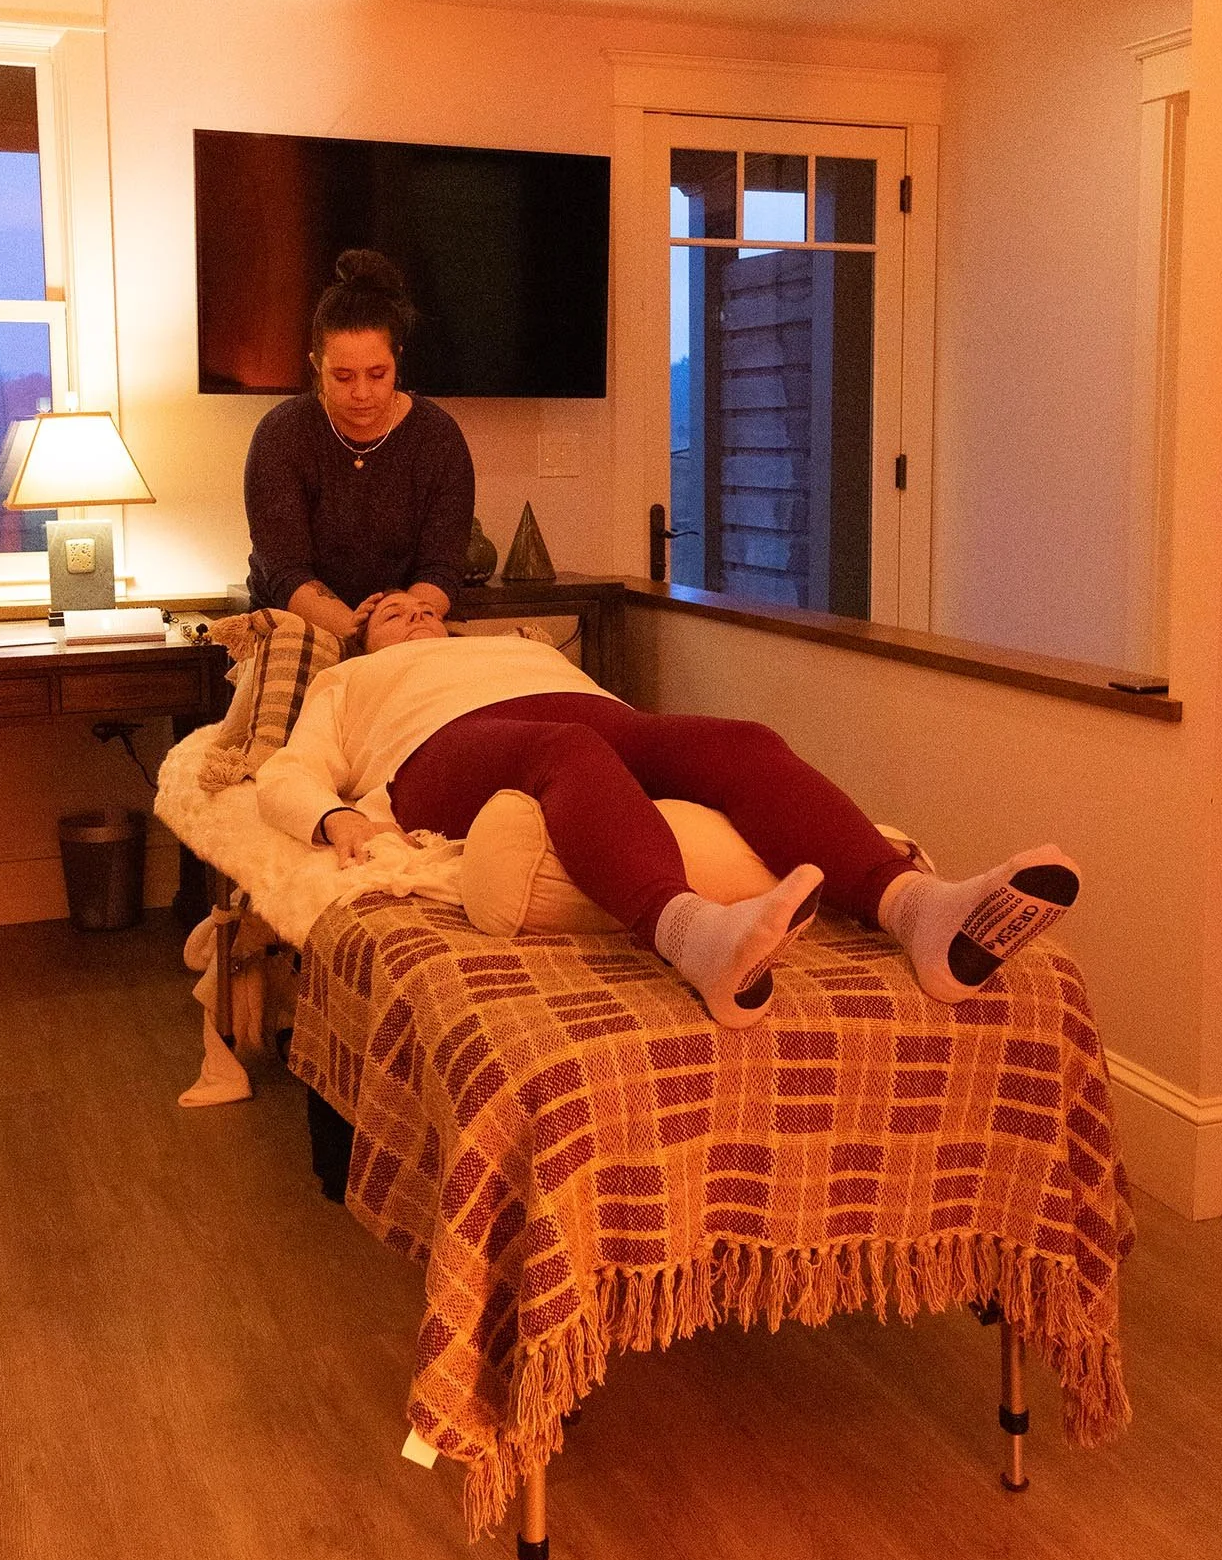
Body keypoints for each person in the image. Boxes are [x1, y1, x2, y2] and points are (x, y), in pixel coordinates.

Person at [257, 593, 1082, 1030]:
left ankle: (920, 912)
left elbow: (610, 723)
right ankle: (696, 936)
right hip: (441, 752)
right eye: (392, 612)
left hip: (593, 718)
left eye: (427, 607)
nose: (415, 615)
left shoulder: (517, 645)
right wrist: (339, 822)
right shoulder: (352, 681)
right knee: (567, 751)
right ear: (364, 639)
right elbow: (283, 777)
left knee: (736, 740)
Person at [244, 250, 475, 644]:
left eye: (377, 374)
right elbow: (285, 571)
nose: (362, 393)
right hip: (300, 630)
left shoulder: (438, 437)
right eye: (343, 376)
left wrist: (398, 631)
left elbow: (441, 569)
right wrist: (358, 633)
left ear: (397, 361)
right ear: (317, 366)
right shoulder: (281, 435)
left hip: (404, 628)